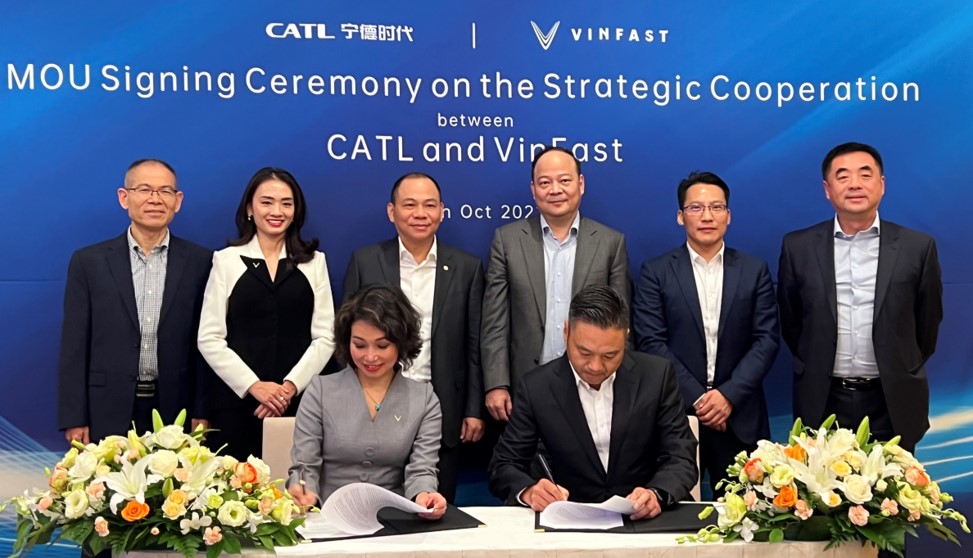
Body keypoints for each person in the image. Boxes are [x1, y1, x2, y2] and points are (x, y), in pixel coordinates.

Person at [777, 142, 943, 452]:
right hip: (824, 399)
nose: (854, 184)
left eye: (865, 175)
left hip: (891, 400)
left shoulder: (917, 247)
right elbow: (792, 322)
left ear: (882, 185)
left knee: (893, 484)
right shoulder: (798, 247)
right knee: (820, 482)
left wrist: (898, 366)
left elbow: (926, 325)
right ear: (827, 189)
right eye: (843, 176)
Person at [489, 285, 697, 519]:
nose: (596, 367)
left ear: (625, 337)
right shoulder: (537, 387)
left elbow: (681, 456)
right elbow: (503, 465)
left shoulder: (657, 376)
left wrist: (656, 494)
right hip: (573, 521)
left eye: (610, 355)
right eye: (584, 353)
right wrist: (529, 491)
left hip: (645, 518)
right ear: (566, 332)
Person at [341, 172, 484, 502]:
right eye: (410, 205)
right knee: (376, 506)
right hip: (376, 401)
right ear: (392, 212)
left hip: (443, 405)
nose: (420, 213)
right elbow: (347, 338)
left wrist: (473, 408)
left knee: (435, 505)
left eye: (429, 205)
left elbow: (474, 343)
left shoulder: (467, 267)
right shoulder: (366, 261)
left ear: (442, 211)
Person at [633, 171, 779, 495]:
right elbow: (651, 342)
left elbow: (766, 339)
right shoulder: (656, 272)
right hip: (678, 417)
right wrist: (700, 400)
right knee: (677, 516)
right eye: (696, 208)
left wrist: (728, 396)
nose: (707, 216)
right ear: (680, 216)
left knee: (748, 515)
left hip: (740, 417)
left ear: (729, 215)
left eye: (716, 207)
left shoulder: (754, 270)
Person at [57, 159, 212, 445]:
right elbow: (74, 345)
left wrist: (202, 409)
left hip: (177, 408)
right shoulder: (89, 262)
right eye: (144, 189)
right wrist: (74, 416)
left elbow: (205, 344)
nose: (155, 199)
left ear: (178, 201)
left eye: (165, 191)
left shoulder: (201, 262)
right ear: (124, 197)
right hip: (106, 407)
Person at [481, 146, 630, 422]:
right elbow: (495, 321)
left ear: (581, 184)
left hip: (593, 382)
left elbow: (621, 323)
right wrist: (496, 383)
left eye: (564, 180)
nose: (555, 190)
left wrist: (621, 385)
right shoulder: (507, 240)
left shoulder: (610, 242)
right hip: (525, 384)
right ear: (533, 189)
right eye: (544, 182)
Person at [198, 167, 336, 460]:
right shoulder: (226, 261)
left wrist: (288, 388)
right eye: (266, 202)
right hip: (237, 404)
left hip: (298, 404)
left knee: (294, 484)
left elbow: (326, 337)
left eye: (286, 203)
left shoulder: (314, 262)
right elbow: (209, 338)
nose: (277, 211)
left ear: (296, 211)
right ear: (250, 208)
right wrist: (254, 386)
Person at [287, 284, 446, 519]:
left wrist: (425, 496)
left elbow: (422, 469)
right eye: (359, 345)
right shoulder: (320, 391)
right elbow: (304, 465)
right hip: (327, 517)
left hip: (393, 520)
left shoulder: (424, 399)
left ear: (401, 343)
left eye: (382, 345)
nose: (370, 356)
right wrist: (303, 491)